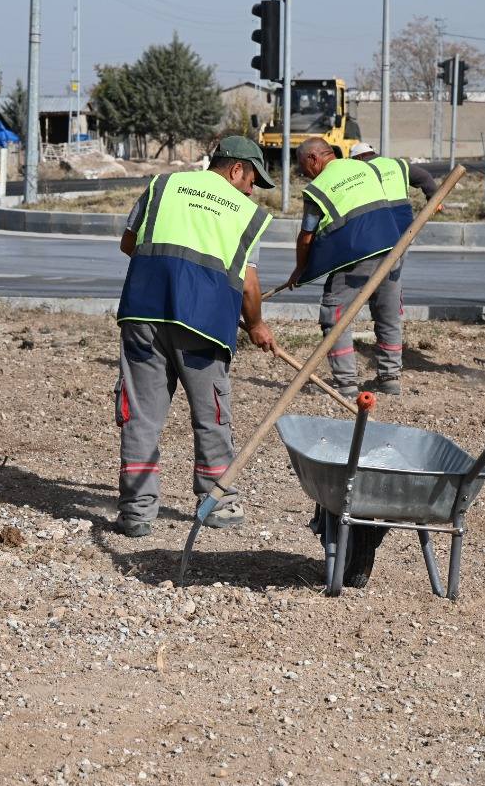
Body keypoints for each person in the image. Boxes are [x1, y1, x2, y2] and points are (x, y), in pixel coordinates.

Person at [114, 135, 279, 538]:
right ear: (236, 169)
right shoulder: (244, 212)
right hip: (203, 326)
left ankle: (136, 512)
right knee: (211, 415)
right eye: (252, 180)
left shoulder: (163, 185)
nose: (252, 190)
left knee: (141, 414)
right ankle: (218, 504)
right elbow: (249, 286)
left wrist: (170, 280)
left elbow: (129, 243)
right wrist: (256, 325)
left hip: (143, 313)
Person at [286, 137, 406, 395]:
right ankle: (390, 378)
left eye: (303, 167)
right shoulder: (366, 168)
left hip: (355, 259)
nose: (304, 173)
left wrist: (299, 270)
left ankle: (346, 383)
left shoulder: (317, 188)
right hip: (392, 249)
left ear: (313, 158)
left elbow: (306, 237)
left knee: (335, 315)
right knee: (388, 314)